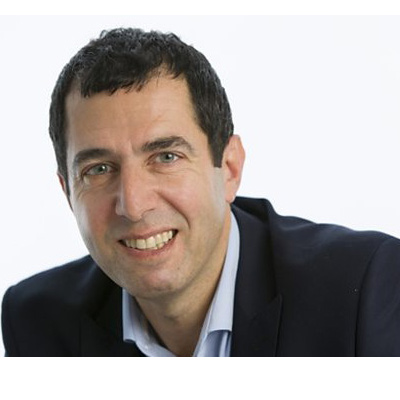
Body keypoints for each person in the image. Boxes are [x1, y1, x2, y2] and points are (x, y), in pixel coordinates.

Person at [2, 27, 400, 357]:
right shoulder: (36, 323)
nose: (134, 205)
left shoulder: (363, 291)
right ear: (68, 192)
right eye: (99, 169)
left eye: (166, 157)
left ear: (229, 168)